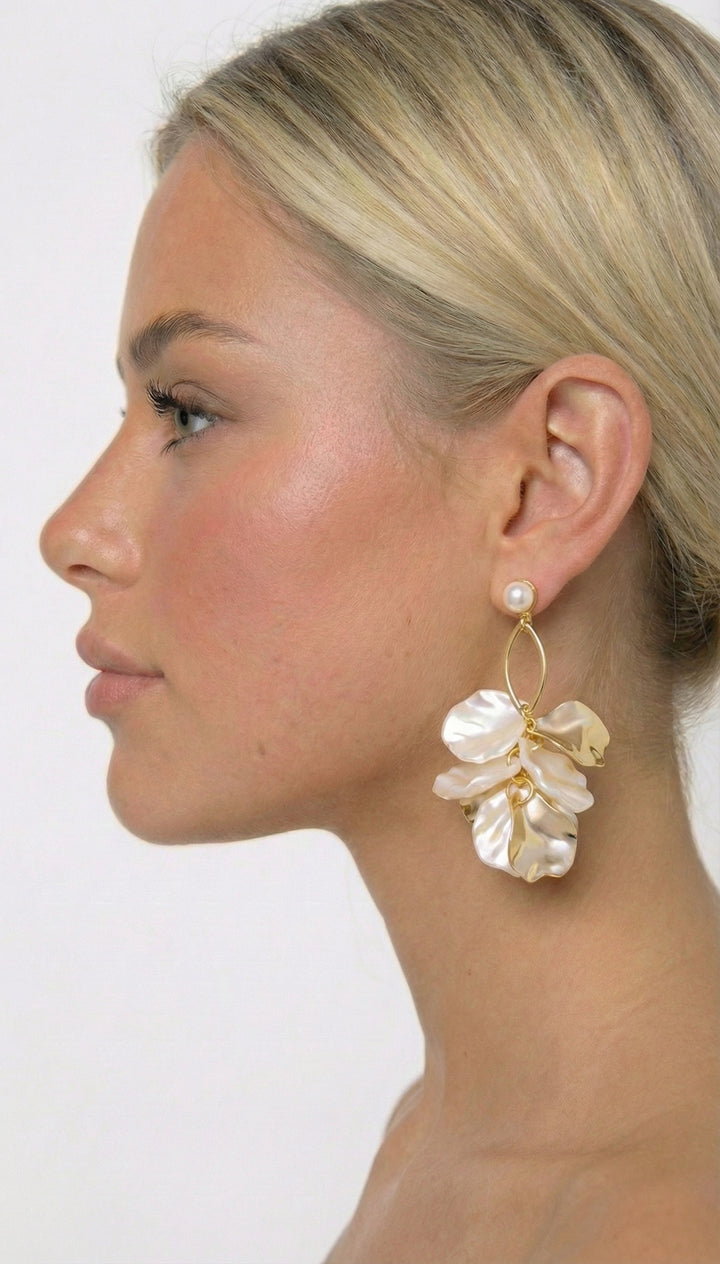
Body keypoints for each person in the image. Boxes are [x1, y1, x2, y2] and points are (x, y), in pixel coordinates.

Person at [39, 0, 720, 1258]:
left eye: (186, 412)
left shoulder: (663, 1222)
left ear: (547, 486)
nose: (75, 530)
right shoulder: (443, 1146)